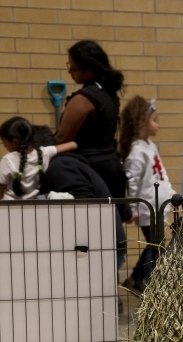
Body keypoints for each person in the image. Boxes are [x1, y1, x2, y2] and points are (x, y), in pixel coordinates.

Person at [56, 40, 127, 269]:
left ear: (89, 69)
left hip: (88, 170)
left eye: (73, 67)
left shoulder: (84, 98)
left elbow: (62, 138)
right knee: (109, 235)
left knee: (89, 236)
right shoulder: (109, 93)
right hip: (111, 167)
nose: (69, 71)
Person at [119, 96, 175, 293]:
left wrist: (172, 195)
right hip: (147, 207)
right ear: (142, 122)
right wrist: (132, 208)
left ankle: (135, 278)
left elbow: (161, 175)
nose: (158, 124)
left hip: (159, 205)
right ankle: (147, 281)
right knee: (156, 245)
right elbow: (132, 183)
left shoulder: (150, 145)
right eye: (155, 120)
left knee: (155, 244)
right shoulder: (137, 151)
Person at [0, 117, 77, 200]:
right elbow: (73, 145)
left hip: (9, 206)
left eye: (4, 142)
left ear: (15, 142)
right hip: (33, 205)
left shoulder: (8, 160)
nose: (4, 146)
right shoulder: (44, 153)